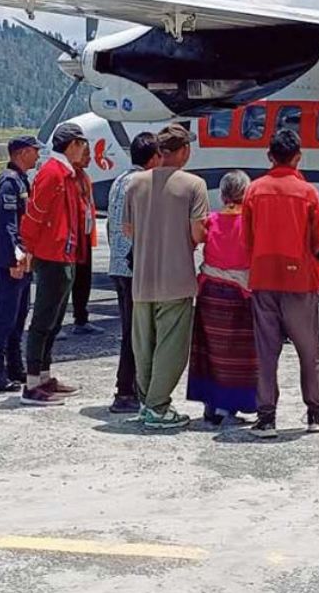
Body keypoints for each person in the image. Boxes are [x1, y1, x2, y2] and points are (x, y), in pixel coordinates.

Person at [242, 129, 319, 440]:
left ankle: (266, 418)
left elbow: (247, 239)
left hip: (263, 278)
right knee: (309, 350)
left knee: (266, 352)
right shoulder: (308, 192)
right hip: (299, 279)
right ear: (298, 157)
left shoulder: (253, 191)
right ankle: (314, 413)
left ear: (269, 156)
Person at [122, 123, 209, 430]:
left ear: (160, 151)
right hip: (176, 277)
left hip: (142, 278)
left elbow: (128, 230)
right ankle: (159, 406)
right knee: (171, 347)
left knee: (144, 346)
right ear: (184, 150)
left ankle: (147, 402)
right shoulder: (194, 185)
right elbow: (198, 231)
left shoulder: (134, 184)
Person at [18, 122, 95, 405]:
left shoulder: (68, 174)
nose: (85, 149)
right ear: (73, 144)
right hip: (51, 255)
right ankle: (32, 382)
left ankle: (45, 375)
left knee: (54, 320)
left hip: (65, 253)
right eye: (82, 144)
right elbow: (34, 215)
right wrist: (26, 250)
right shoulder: (53, 173)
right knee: (42, 320)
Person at [187, 170, 258, 427]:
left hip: (210, 293)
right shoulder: (252, 222)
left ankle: (212, 405)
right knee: (238, 354)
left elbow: (198, 237)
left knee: (211, 351)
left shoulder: (212, 220)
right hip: (241, 295)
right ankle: (230, 407)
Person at [104, 132, 160, 414]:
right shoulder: (142, 184)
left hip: (118, 264)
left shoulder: (118, 181)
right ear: (154, 158)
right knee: (134, 332)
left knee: (130, 329)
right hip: (133, 266)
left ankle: (129, 387)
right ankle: (126, 390)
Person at [0, 135, 41, 393]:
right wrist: (14, 259)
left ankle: (14, 367)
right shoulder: (8, 182)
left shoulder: (20, 180)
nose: (38, 156)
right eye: (34, 152)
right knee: (4, 317)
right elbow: (7, 226)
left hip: (24, 260)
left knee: (18, 317)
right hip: (13, 263)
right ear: (22, 153)